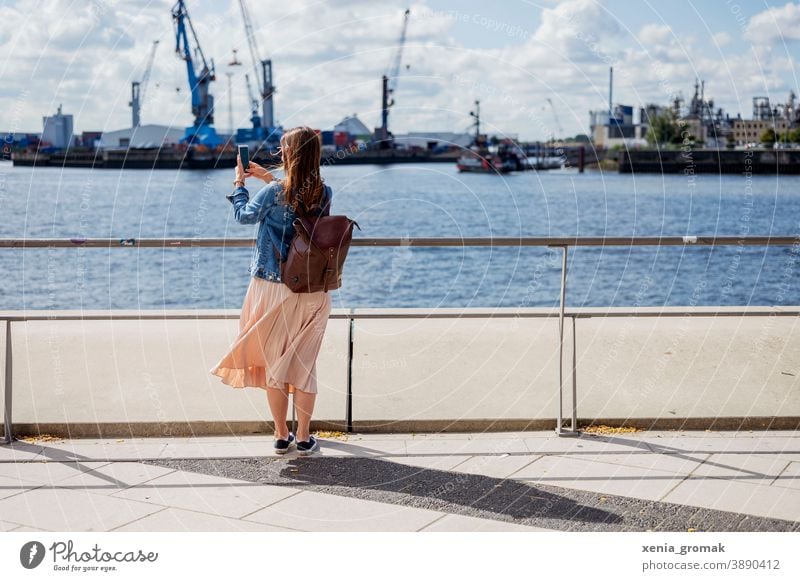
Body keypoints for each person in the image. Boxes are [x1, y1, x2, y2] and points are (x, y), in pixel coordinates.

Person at [209, 127, 333, 456]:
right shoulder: (324, 192)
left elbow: (243, 216)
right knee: (304, 365)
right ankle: (305, 438)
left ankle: (281, 436)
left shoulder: (275, 192)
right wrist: (268, 179)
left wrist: (239, 183)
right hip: (312, 290)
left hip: (273, 288)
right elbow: (297, 210)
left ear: (287, 154)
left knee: (274, 363)